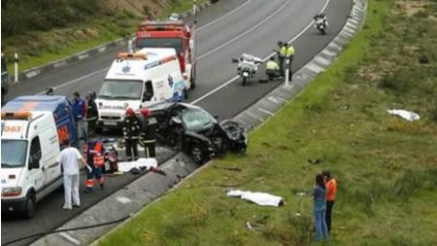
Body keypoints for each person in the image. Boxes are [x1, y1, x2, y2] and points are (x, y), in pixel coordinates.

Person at [50, 139, 87, 210]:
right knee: (75, 187)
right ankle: (77, 202)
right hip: (76, 171)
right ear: (69, 143)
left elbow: (57, 163)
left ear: (63, 144)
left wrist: (49, 166)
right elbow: (81, 159)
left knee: (68, 189)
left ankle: (68, 204)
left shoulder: (63, 152)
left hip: (68, 173)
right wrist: (85, 165)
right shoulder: (75, 150)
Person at [312, 173, 329, 241]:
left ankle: (319, 237)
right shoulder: (325, 187)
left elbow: (313, 195)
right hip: (324, 206)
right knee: (323, 221)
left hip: (317, 207)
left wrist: (314, 186)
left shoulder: (316, 188)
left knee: (318, 222)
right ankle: (326, 236)